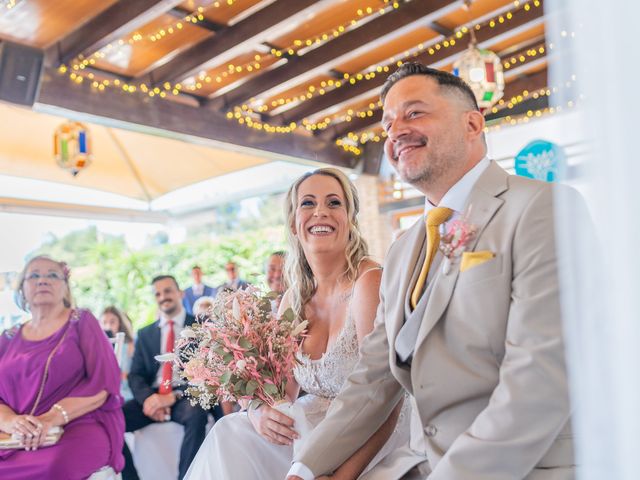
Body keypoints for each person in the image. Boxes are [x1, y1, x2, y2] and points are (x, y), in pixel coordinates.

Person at [287, 63, 575, 480]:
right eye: (388, 124)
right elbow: (372, 379)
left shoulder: (541, 208)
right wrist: (305, 468)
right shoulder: (403, 249)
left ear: (473, 123)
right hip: (419, 463)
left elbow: (541, 376)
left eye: (414, 112)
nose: (396, 131)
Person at [184, 168, 414, 479]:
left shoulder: (369, 282)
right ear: (294, 224)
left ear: (351, 219)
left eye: (334, 203)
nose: (321, 211)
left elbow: (387, 395)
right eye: (308, 203)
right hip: (312, 428)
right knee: (230, 432)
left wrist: (340, 477)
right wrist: (257, 412)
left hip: (370, 435)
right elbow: (283, 392)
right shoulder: (294, 298)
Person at [0, 255, 124, 479]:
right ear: (22, 289)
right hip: (14, 434)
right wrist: (11, 422)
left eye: (53, 275)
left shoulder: (82, 321)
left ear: (65, 288)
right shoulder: (8, 337)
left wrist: (49, 420)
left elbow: (104, 384)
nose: (43, 280)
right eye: (34, 275)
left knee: (53, 467)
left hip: (76, 426)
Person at [122, 275, 209, 480]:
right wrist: (149, 399)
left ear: (180, 293)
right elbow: (135, 375)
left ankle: (186, 477)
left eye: (167, 291)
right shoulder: (144, 334)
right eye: (158, 293)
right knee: (112, 419)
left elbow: (209, 373)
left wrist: (174, 396)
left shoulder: (200, 327)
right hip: (151, 396)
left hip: (185, 395)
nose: (163, 297)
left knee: (197, 415)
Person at [101, 305, 136, 400]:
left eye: (112, 322)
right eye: (104, 322)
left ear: (120, 323)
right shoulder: (100, 347)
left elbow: (128, 374)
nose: (108, 326)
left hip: (126, 391)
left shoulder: (129, 344)